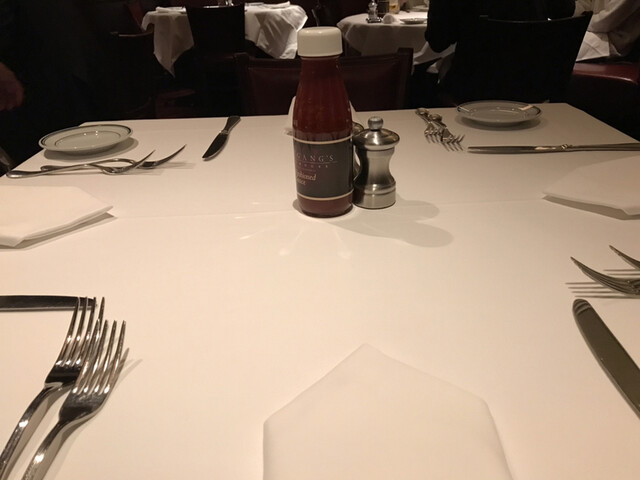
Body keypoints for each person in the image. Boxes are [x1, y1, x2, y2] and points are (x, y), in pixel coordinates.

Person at [574, 0, 640, 61]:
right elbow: (584, 4)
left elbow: (607, 22)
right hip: (593, 29)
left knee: (569, 47)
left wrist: (579, 23)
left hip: (612, 39)